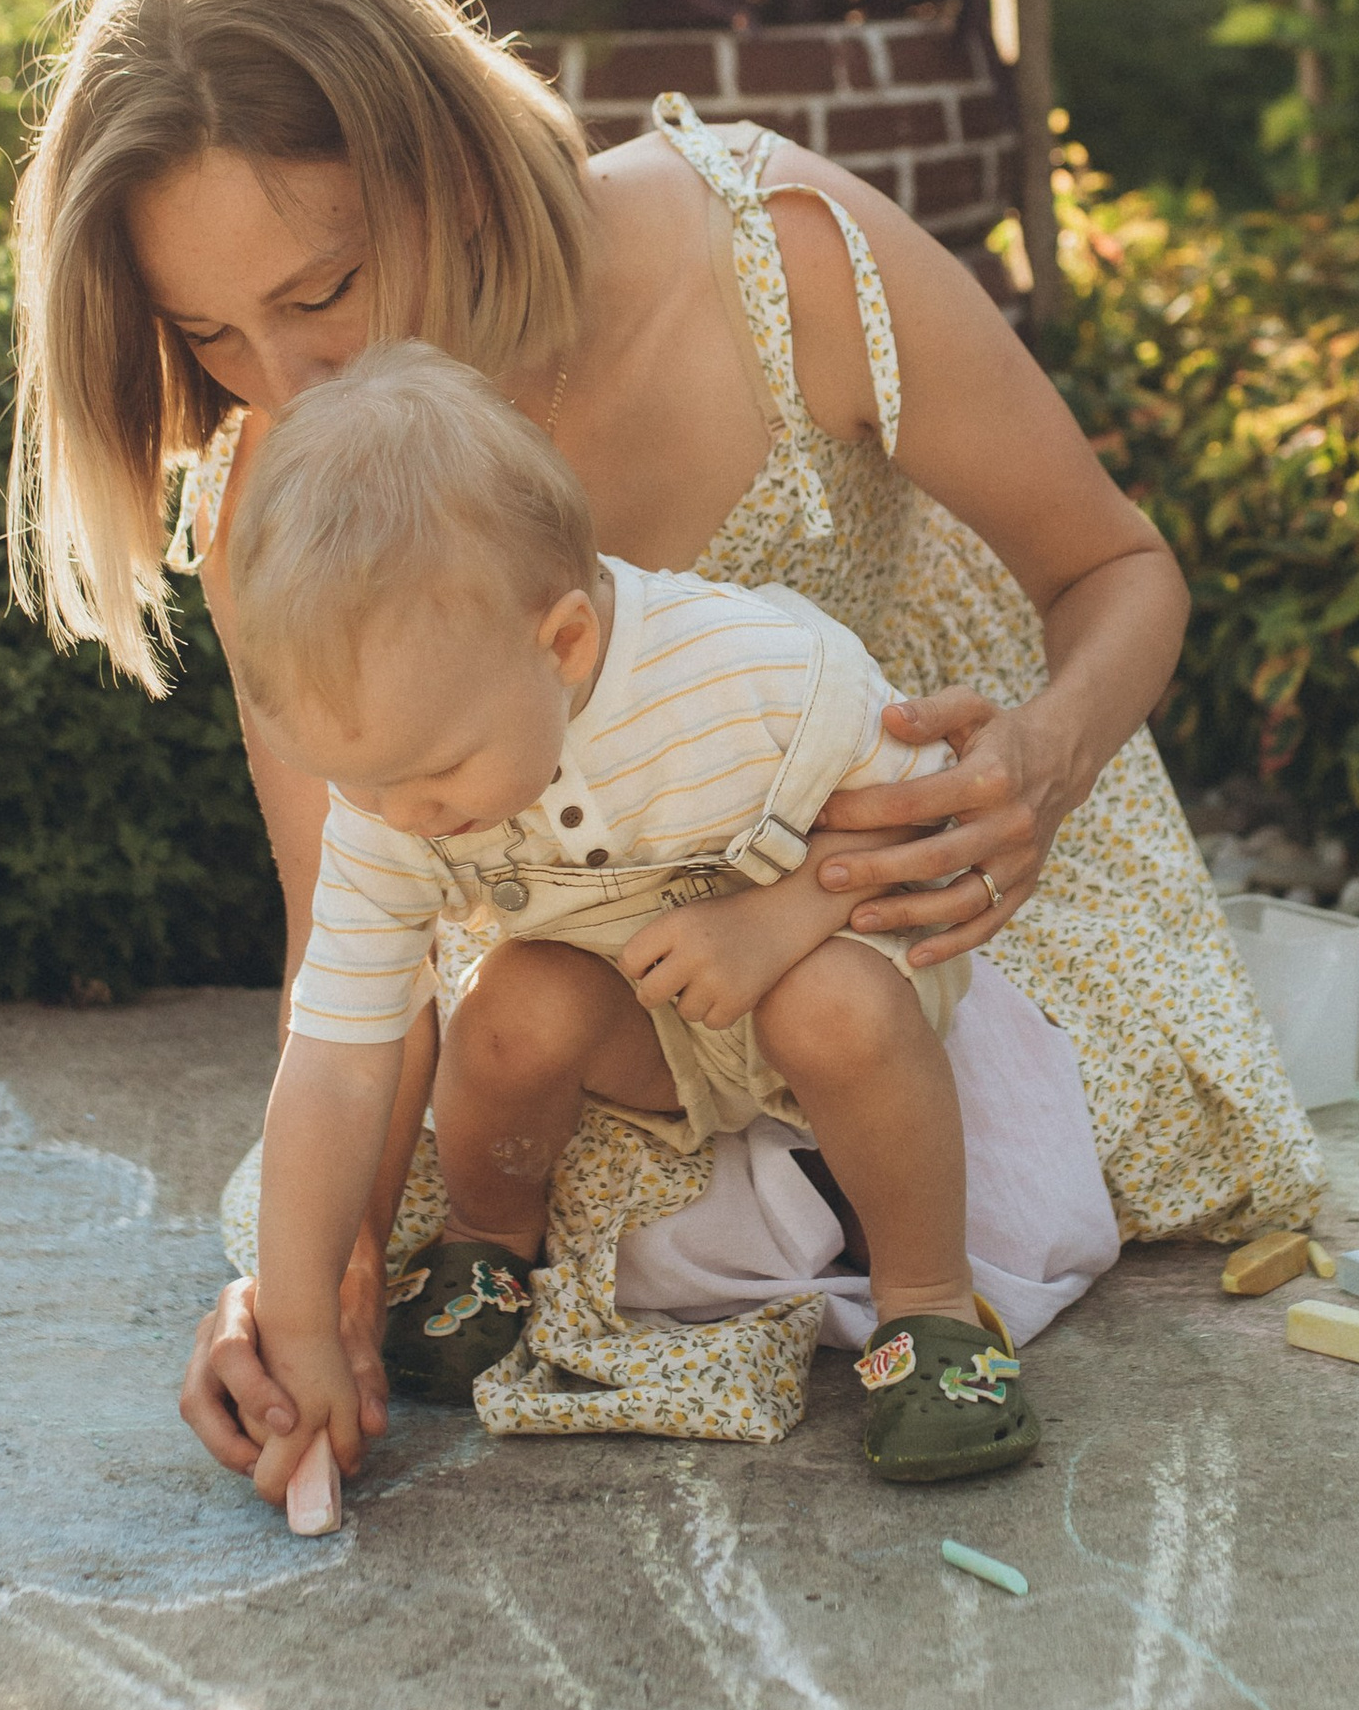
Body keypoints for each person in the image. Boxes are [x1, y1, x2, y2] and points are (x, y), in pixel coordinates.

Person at [6, 0, 1320, 1501]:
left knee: (888, 1088)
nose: (284, 383)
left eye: (326, 288)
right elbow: (355, 955)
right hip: (611, 988)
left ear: (452, 159)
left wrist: (1034, 766)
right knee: (434, 1185)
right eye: (211, 336)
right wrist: (323, 1286)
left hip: (930, 922)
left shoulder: (774, 256)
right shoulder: (286, 492)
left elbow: (1121, 568)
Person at [227, 339, 1035, 1504]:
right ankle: (488, 1247)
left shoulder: (759, 677)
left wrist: (777, 920)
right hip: (641, 1014)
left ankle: (928, 1310)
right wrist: (302, 1311)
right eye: (360, 783)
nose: (406, 817)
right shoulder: (392, 802)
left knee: (835, 1008)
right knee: (505, 1009)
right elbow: (339, 1061)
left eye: (437, 775)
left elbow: (928, 826)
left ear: (562, 645)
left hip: (821, 963)